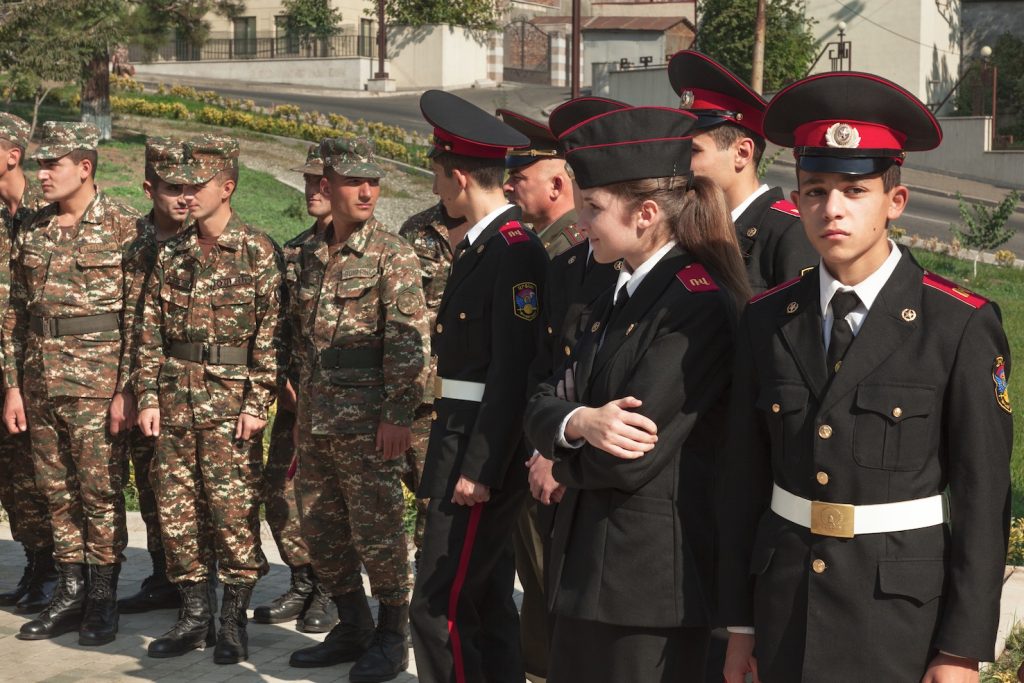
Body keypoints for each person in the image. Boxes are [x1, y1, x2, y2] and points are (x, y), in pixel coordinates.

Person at [717, 72, 1012, 683]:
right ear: (797, 199)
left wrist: (961, 650)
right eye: (816, 191)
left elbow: (982, 497)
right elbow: (742, 477)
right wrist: (740, 624)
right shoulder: (768, 319)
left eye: (855, 190)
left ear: (894, 201)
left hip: (898, 619)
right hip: (786, 606)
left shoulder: (956, 324)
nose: (833, 209)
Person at [523, 103, 749, 683]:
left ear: (646, 214)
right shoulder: (615, 292)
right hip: (588, 566)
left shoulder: (693, 303)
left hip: (646, 586)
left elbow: (630, 455)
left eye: (594, 208)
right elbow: (545, 396)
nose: (582, 220)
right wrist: (578, 422)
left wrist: (561, 453)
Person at [409, 90, 547, 683]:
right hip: (461, 433)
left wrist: (481, 467)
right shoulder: (483, 245)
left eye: (438, 173)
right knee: (486, 594)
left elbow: (513, 370)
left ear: (459, 176)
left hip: (476, 446)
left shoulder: (513, 252)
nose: (435, 187)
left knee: (436, 603)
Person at [286, 137, 429, 683]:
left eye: (373, 182)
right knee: (321, 525)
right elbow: (300, 342)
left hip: (369, 424)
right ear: (328, 186)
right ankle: (352, 625)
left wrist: (397, 415)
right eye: (354, 182)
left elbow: (409, 343)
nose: (367, 191)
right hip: (316, 419)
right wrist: (298, 417)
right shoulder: (307, 254)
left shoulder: (392, 254)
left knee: (379, 529)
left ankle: (392, 636)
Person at [134, 135, 280, 664]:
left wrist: (257, 403)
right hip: (174, 400)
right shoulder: (170, 253)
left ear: (228, 187)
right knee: (177, 513)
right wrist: (147, 396)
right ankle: (195, 617)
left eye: (200, 184)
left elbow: (271, 337)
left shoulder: (258, 250)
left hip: (229, 407)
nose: (188, 193)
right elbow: (149, 331)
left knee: (233, 514)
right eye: (183, 184)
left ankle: (233, 622)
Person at [502, 100, 626, 683]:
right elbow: (548, 363)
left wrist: (559, 452)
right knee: (544, 586)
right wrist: (544, 444)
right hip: (553, 448)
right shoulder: (567, 261)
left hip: (599, 469)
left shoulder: (631, 268)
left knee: (574, 600)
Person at [5, 122, 140, 645]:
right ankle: (69, 591)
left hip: (98, 387)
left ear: (84, 167)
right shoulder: (33, 229)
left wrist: (127, 390)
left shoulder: (126, 226)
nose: (41, 174)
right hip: (40, 382)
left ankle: (102, 600)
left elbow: (140, 320)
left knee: (99, 493)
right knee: (56, 492)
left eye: (52, 164)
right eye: (39, 164)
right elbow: (15, 314)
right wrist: (13, 387)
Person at [253, 143, 338, 634]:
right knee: (280, 492)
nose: (311, 189)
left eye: (320, 180)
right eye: (307, 179)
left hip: (346, 404)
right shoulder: (294, 251)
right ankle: (303, 579)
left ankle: (332, 588)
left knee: (333, 498)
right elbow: (276, 327)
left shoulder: (378, 251)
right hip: (295, 399)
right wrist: (283, 384)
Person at [119, 137, 197, 615]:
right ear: (150, 189)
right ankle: (163, 575)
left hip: (190, 389)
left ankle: (199, 586)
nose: (184, 197)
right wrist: (127, 387)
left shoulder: (206, 240)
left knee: (194, 494)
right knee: (150, 487)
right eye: (173, 188)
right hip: (138, 385)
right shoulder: (130, 241)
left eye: (190, 187)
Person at [668, 50, 816, 293]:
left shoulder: (789, 231)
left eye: (694, 151)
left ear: (742, 153)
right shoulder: (690, 223)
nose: (683, 163)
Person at [0, 112, 55, 615]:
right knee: (13, 476)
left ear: (12, 155)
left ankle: (60, 574)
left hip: (43, 367)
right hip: (5, 368)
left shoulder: (49, 213)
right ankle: (36, 566)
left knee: (44, 473)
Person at [397, 201, 463, 559]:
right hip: (425, 386)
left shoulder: (502, 231)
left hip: (475, 386)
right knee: (429, 488)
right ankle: (428, 565)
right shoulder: (416, 230)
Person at [498, 108, 584, 256]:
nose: (506, 186)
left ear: (555, 186)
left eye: (517, 178)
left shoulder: (570, 249)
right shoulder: (541, 240)